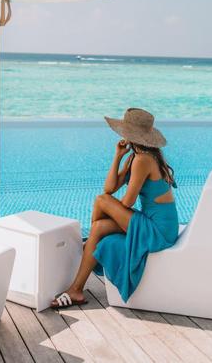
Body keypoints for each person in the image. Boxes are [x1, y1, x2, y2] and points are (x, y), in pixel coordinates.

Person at [51, 108, 179, 308]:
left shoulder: (143, 160)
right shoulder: (137, 157)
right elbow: (110, 187)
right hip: (156, 225)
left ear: (129, 135)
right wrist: (118, 156)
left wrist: (109, 207)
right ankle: (76, 290)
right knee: (100, 226)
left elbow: (126, 202)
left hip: (158, 231)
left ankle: (89, 246)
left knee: (101, 201)